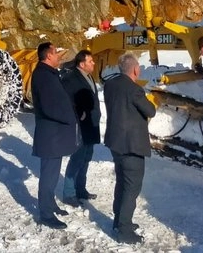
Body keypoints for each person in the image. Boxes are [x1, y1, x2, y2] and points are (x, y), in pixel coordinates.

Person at [104, 53, 156, 244]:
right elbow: (151, 111)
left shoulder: (110, 85)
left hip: (115, 142)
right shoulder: (135, 90)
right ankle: (124, 230)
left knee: (122, 183)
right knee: (132, 188)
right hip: (131, 145)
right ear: (135, 69)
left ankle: (119, 221)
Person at [31, 42, 79, 230]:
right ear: (48, 56)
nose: (59, 55)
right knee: (48, 176)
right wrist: (71, 117)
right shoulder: (43, 76)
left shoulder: (49, 73)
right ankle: (46, 214)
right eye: (56, 52)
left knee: (51, 173)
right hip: (50, 135)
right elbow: (50, 106)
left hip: (55, 135)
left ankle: (50, 205)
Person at [60, 50, 101, 207]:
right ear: (82, 64)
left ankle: (80, 189)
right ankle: (69, 193)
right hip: (80, 126)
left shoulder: (89, 76)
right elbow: (65, 101)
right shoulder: (70, 78)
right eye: (90, 61)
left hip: (91, 124)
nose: (93, 63)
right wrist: (78, 113)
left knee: (86, 158)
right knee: (77, 158)